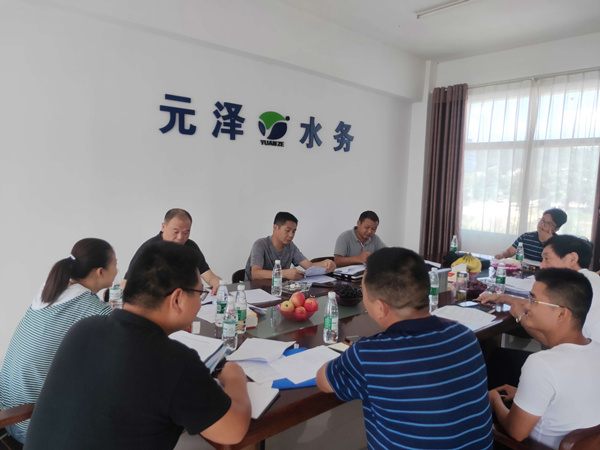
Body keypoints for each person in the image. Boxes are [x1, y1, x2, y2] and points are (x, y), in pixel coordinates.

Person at [25, 241, 251, 450]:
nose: (200, 303)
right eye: (200, 293)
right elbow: (233, 431)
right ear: (177, 299)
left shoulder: (84, 329)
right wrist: (234, 376)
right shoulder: (173, 361)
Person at [316, 248, 493, 449]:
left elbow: (323, 380)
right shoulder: (464, 335)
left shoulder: (369, 355)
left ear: (380, 308)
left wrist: (354, 355)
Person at [0, 238, 116, 444]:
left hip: (8, 413)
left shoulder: (49, 291)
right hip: (31, 426)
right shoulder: (92, 307)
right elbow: (127, 337)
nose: (117, 270)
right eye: (115, 264)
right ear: (100, 272)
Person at [488, 269, 600, 448]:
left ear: (562, 313)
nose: (527, 306)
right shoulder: (596, 350)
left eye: (533, 300)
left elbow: (516, 432)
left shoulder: (542, 364)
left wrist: (495, 400)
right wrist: (525, 397)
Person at [481, 235, 600, 342]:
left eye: (547, 259)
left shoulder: (577, 286)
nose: (542, 266)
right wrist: (502, 298)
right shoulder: (589, 280)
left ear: (572, 259)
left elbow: (550, 340)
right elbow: (540, 304)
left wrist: (520, 316)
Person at [124, 208, 221, 293]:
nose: (180, 237)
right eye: (175, 232)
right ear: (163, 227)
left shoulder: (190, 247)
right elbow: (126, 284)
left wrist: (220, 285)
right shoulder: (149, 249)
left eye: (186, 232)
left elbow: (209, 276)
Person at [244, 211, 336, 281]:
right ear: (275, 227)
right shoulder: (260, 244)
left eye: (294, 231)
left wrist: (326, 263)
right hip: (256, 290)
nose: (291, 235)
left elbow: (309, 266)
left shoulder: (290, 246)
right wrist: (284, 273)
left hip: (279, 290)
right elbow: (255, 274)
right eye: (287, 230)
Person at [495, 208, 567, 264]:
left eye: (548, 223)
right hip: (527, 272)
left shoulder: (559, 244)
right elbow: (509, 252)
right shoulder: (526, 237)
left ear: (556, 229)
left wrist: (550, 241)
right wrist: (502, 254)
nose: (542, 224)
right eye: (542, 220)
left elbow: (559, 263)